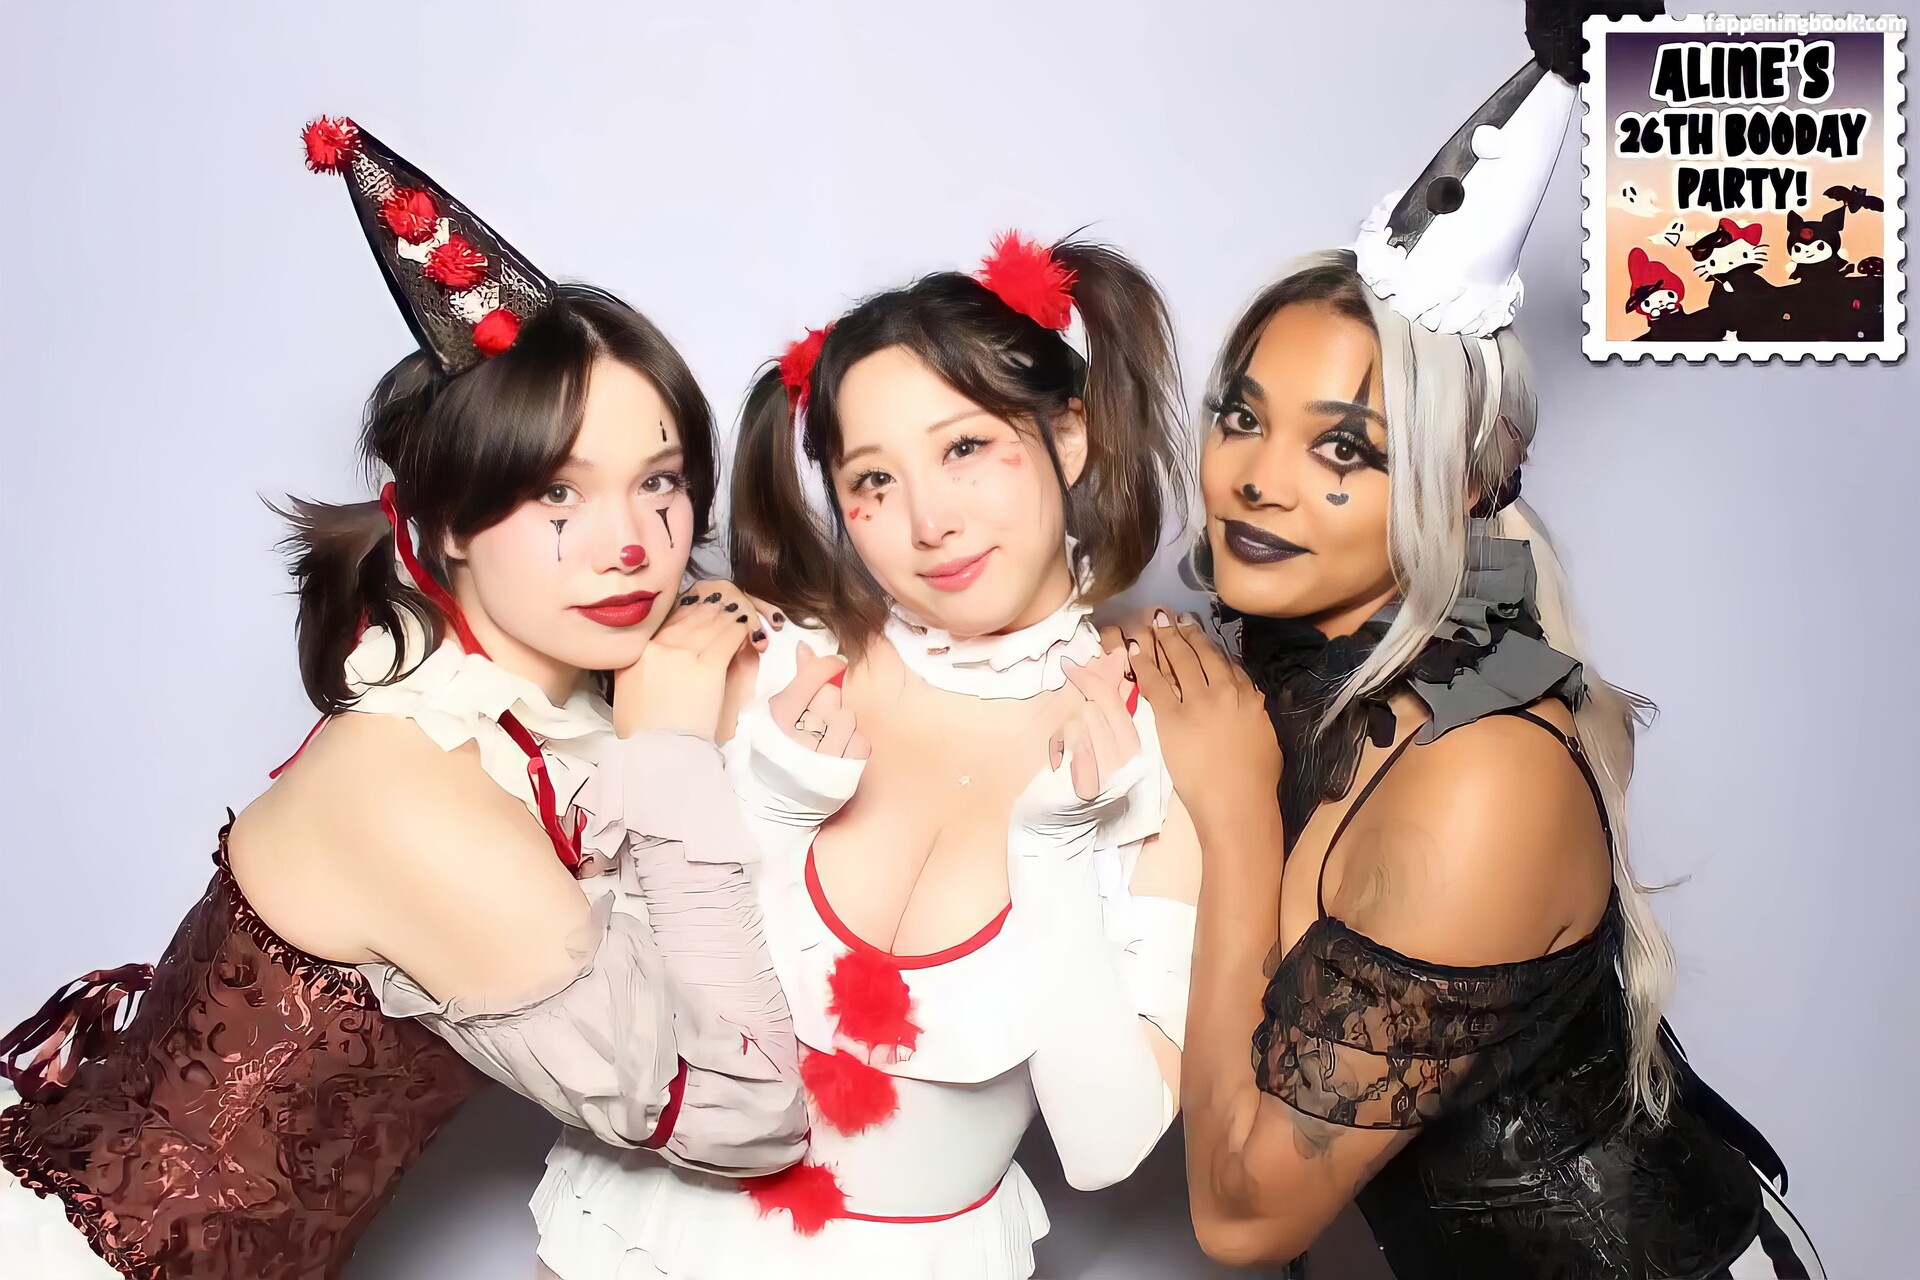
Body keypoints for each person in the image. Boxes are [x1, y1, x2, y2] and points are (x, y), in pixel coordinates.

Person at [0, 115, 806, 1280]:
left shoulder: (517, 711)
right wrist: (674, 749)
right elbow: (748, 1112)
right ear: (447, 526)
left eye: (661, 480)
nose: (634, 543)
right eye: (558, 494)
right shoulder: (418, 791)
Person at [1131, 5, 1827, 1275]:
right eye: (1243, 415)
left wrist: (1230, 808)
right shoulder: (1307, 665)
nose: (1257, 479)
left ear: (1459, 483)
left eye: (1346, 447)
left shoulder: (1481, 777)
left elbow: (1243, 1214)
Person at [529, 234, 1202, 1279]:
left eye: (965, 447)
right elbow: (598, 1004)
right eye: (875, 478)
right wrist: (755, 799)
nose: (932, 521)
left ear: (1068, 435)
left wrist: (1058, 860)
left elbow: (1105, 1148)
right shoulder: (760, 665)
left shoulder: (1150, 754)